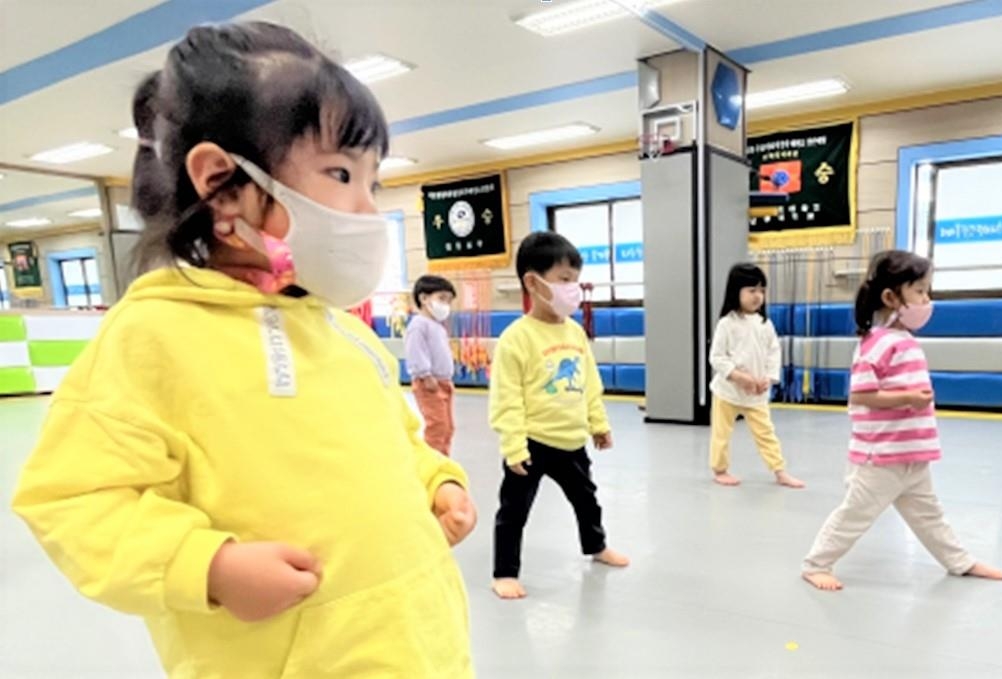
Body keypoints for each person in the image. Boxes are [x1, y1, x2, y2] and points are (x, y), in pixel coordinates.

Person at [11, 22, 476, 677]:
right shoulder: (153, 337)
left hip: (420, 647)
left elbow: (397, 438)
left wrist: (438, 481)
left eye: (373, 181)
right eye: (341, 173)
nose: (366, 208)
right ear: (221, 181)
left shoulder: (343, 330)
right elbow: (71, 498)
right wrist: (209, 565)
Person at [802, 250, 1002, 591]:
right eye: (920, 291)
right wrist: (908, 398)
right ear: (891, 297)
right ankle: (816, 563)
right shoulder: (876, 344)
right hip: (880, 458)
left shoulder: (904, 340)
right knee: (855, 514)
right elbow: (862, 396)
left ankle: (959, 561)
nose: (927, 300)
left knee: (929, 516)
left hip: (911, 456)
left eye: (927, 291)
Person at [489, 231, 629, 600]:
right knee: (514, 511)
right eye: (564, 280)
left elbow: (589, 383)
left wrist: (598, 424)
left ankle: (596, 547)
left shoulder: (576, 332)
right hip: (531, 445)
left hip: (571, 440)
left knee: (588, 501)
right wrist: (513, 445)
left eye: (575, 280)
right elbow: (507, 398)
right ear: (533, 283)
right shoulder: (516, 338)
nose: (573, 288)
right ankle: (505, 572)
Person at [708, 263, 804, 488]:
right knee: (721, 434)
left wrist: (768, 379)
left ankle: (779, 471)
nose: (758, 296)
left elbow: (773, 352)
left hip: (756, 394)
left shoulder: (765, 324)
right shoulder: (727, 324)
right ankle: (720, 469)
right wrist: (740, 377)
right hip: (727, 392)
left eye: (761, 290)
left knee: (766, 433)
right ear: (736, 291)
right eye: (751, 290)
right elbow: (717, 357)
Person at [406, 274, 458, 455]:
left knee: (448, 427)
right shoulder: (419, 325)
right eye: (441, 298)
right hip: (430, 384)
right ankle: (433, 463)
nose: (446, 305)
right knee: (437, 426)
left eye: (449, 301)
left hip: (444, 381)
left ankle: (443, 458)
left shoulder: (437, 325)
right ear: (424, 298)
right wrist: (425, 375)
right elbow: (416, 352)